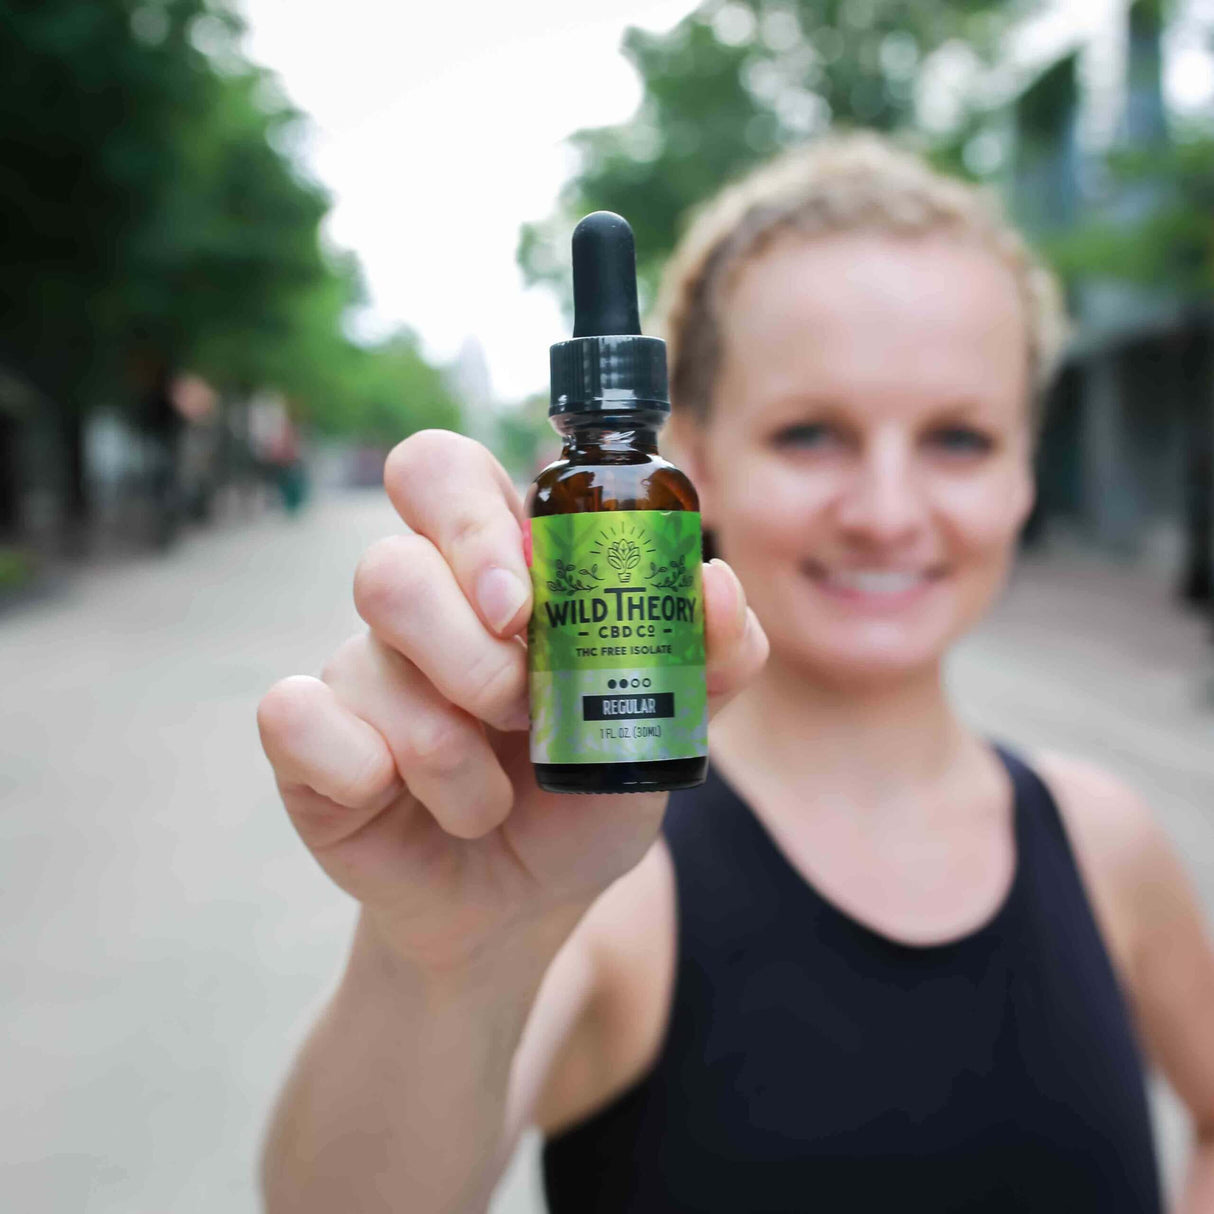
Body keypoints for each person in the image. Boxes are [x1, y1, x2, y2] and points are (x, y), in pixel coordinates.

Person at [255, 135, 1214, 1212]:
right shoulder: (605, 882)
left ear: (1024, 468)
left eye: (958, 437)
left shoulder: (1106, 841)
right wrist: (443, 956)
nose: (887, 512)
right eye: (809, 433)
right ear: (692, 456)